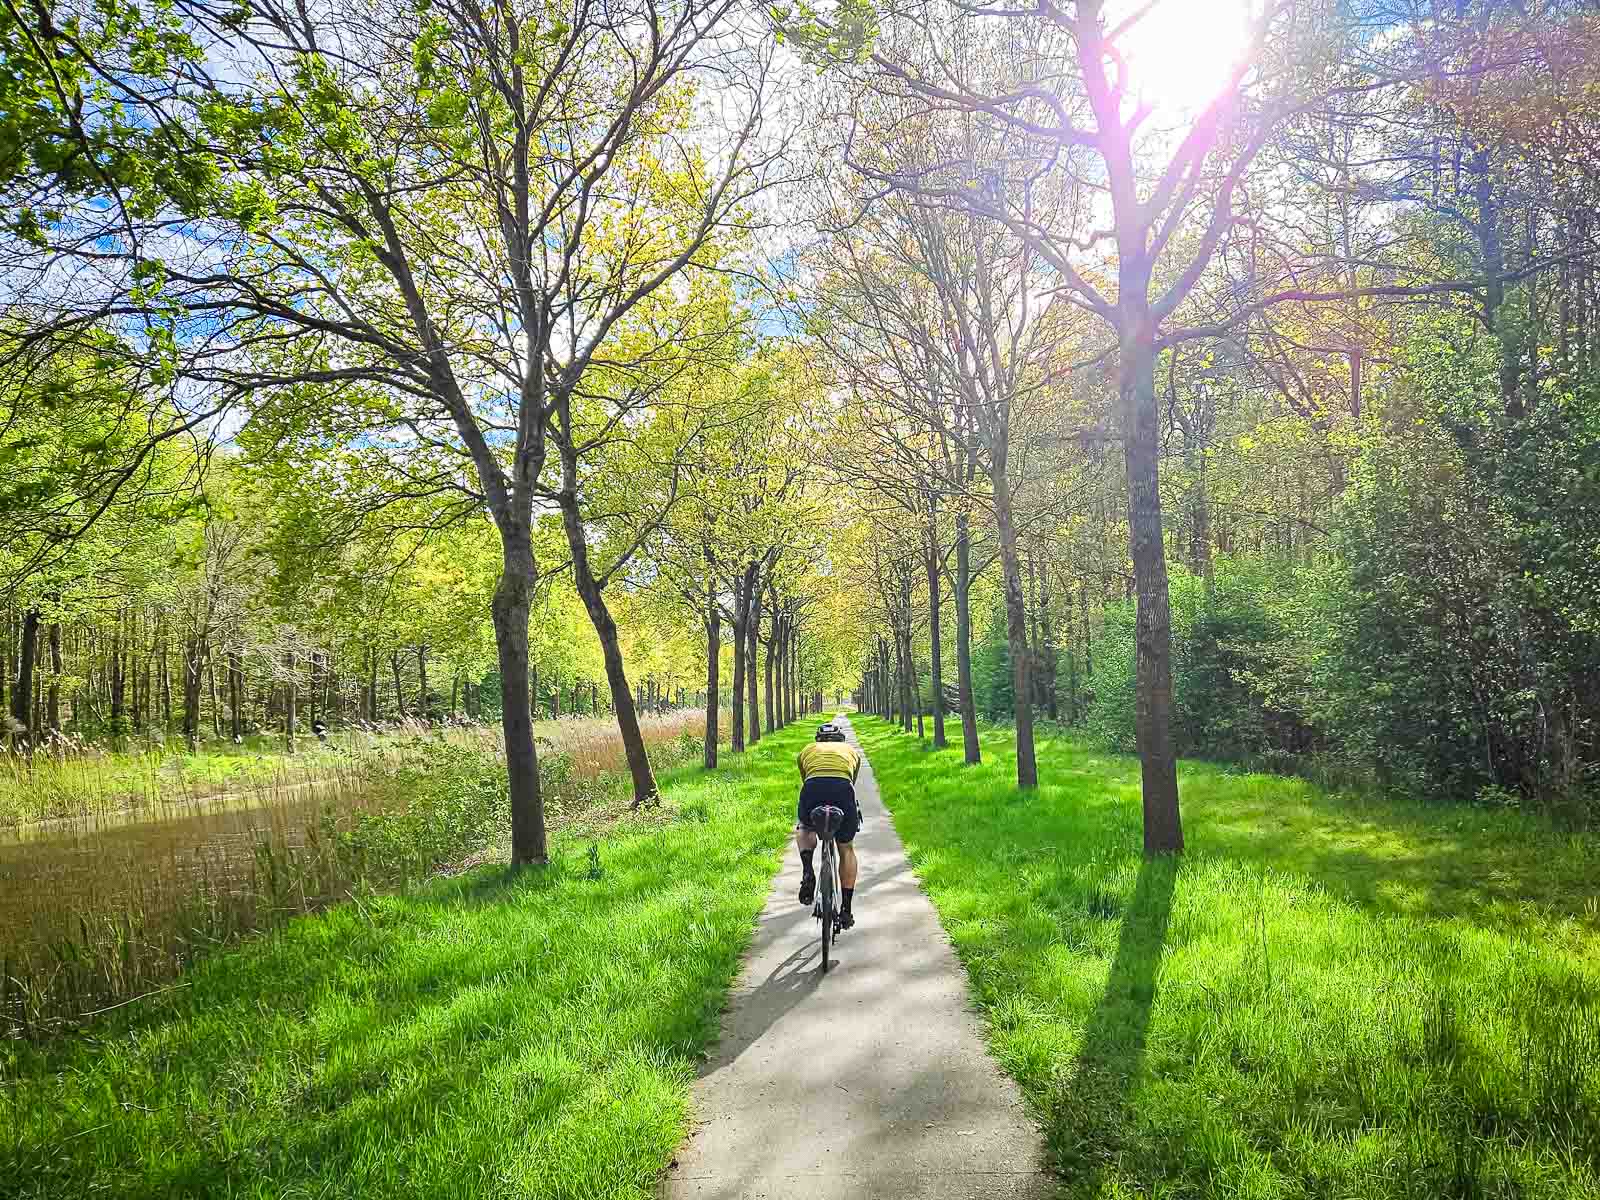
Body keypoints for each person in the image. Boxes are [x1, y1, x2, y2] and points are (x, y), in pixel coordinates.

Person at [795, 722, 863, 929]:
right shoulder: (851, 751)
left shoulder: (807, 750)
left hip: (813, 787)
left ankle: (808, 870)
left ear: (818, 740)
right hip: (842, 788)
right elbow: (852, 780)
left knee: (805, 827)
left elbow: (806, 777)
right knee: (846, 847)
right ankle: (846, 910)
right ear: (840, 740)